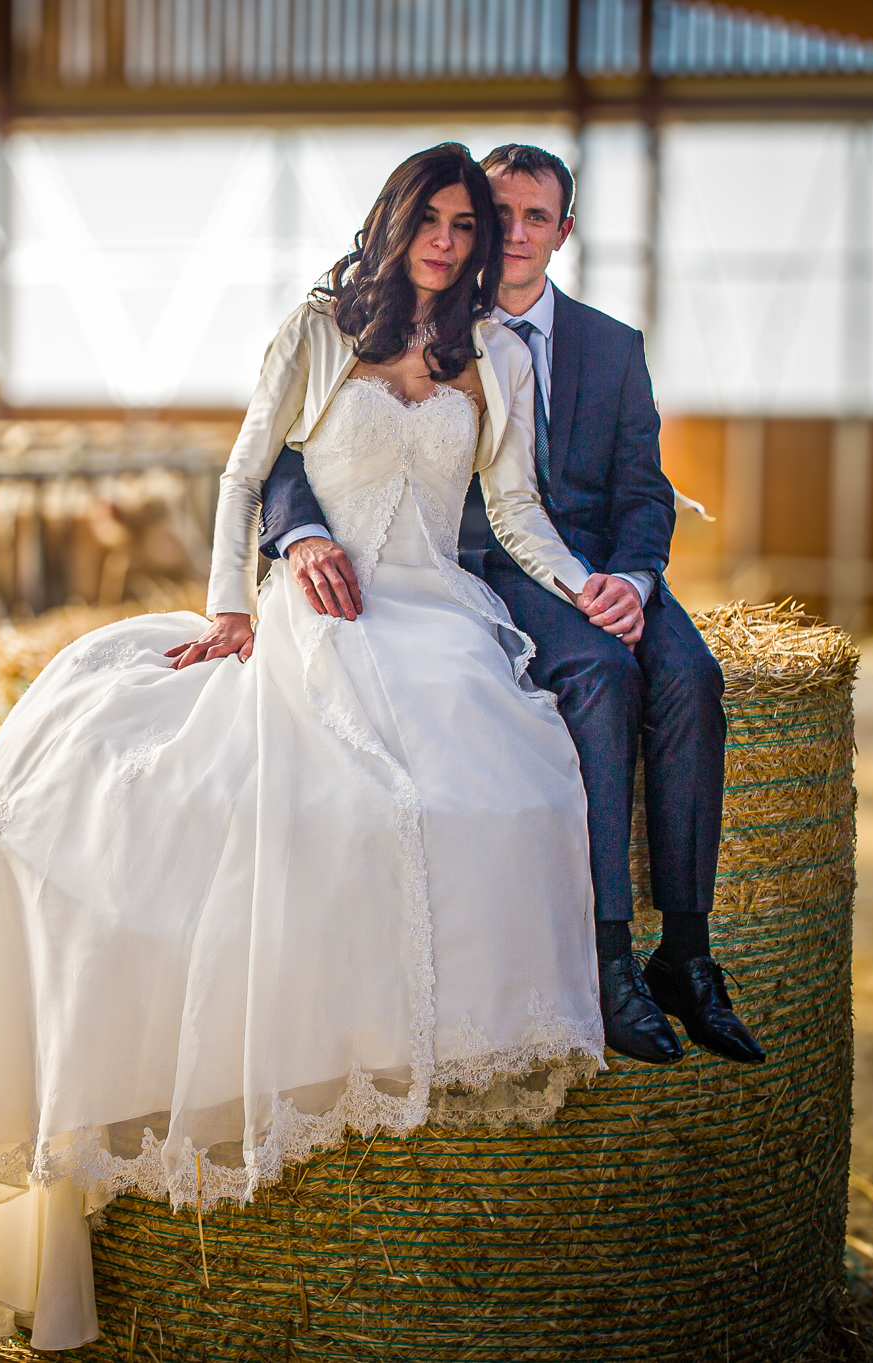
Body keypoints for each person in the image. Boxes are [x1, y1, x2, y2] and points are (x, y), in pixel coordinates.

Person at [0, 143, 608, 1351]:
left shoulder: (491, 353)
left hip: (438, 615)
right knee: (308, 796)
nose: (446, 243)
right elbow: (243, 472)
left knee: (514, 791)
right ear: (391, 222)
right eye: (428, 220)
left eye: (463, 226)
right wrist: (232, 606)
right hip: (325, 612)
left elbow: (514, 508)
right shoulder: (317, 330)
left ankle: (435, 1035)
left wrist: (587, 588)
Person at [258, 142, 762, 1068]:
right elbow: (294, 450)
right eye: (500, 216)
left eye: (538, 218)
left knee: (691, 676)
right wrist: (298, 535)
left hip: (595, 566)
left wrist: (633, 579)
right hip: (478, 565)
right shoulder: (429, 316)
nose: (515, 234)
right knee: (600, 676)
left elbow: (644, 488)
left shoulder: (613, 346)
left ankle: (688, 954)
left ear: (565, 231)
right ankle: (607, 958)